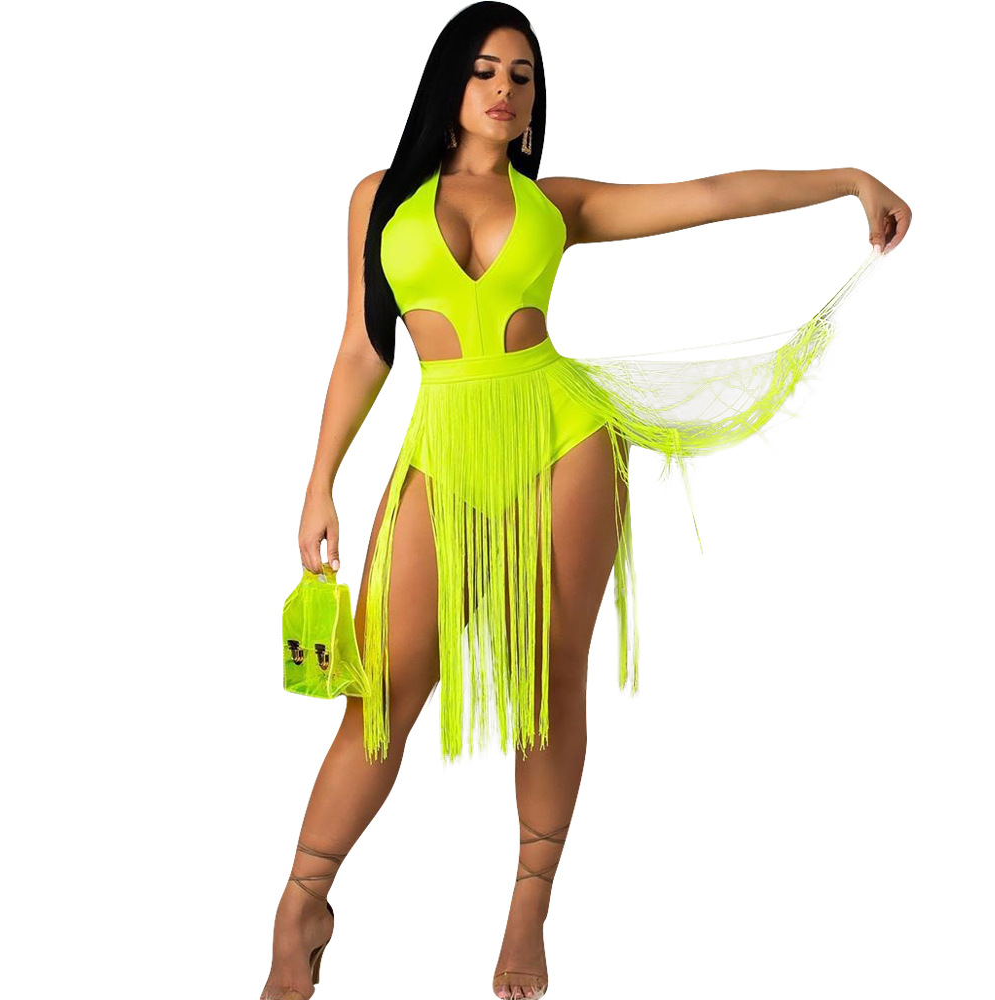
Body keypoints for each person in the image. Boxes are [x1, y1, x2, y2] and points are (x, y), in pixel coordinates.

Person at [260, 4, 911, 999]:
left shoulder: (556, 203)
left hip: (563, 435)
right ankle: (302, 901)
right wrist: (320, 480)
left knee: (547, 673)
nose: (503, 90)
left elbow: (711, 195)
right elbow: (364, 346)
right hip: (445, 444)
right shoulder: (377, 198)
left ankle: (528, 907)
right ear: (448, 81)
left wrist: (848, 179)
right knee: (381, 692)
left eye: (521, 76)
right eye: (485, 70)